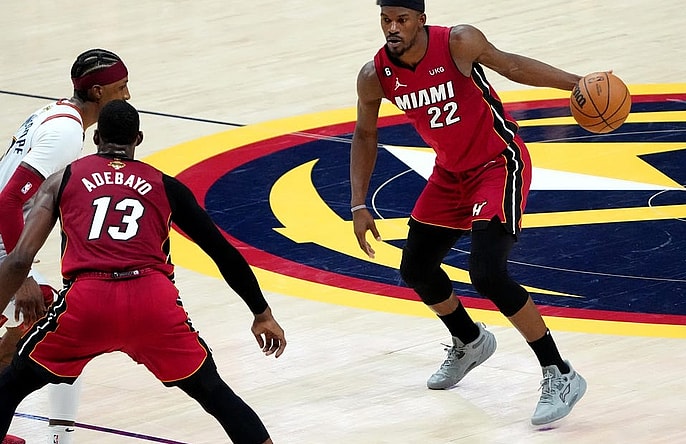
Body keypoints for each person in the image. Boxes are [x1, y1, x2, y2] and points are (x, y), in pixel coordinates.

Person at [350, 0, 587, 426]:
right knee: (417, 268)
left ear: (421, 20)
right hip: (450, 174)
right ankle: (469, 340)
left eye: (401, 19)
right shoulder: (375, 75)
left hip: (499, 163)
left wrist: (575, 83)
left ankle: (560, 372)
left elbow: (512, 66)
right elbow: (365, 134)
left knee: (488, 273)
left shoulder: (458, 42)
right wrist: (358, 202)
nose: (392, 28)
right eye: (386, 20)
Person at [0, 100, 287, 444]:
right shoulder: (166, 186)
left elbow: (19, 260)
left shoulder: (64, 179)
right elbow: (222, 252)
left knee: (11, 384)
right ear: (138, 138)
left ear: (96, 139)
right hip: (152, 301)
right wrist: (262, 312)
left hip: (88, 302)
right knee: (215, 395)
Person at [0, 48, 132, 444]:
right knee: (59, 329)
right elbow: (8, 200)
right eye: (120, 87)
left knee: (29, 331)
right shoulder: (66, 132)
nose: (126, 95)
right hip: (3, 246)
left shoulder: (52, 112)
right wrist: (19, 276)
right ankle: (63, 438)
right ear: (96, 93)